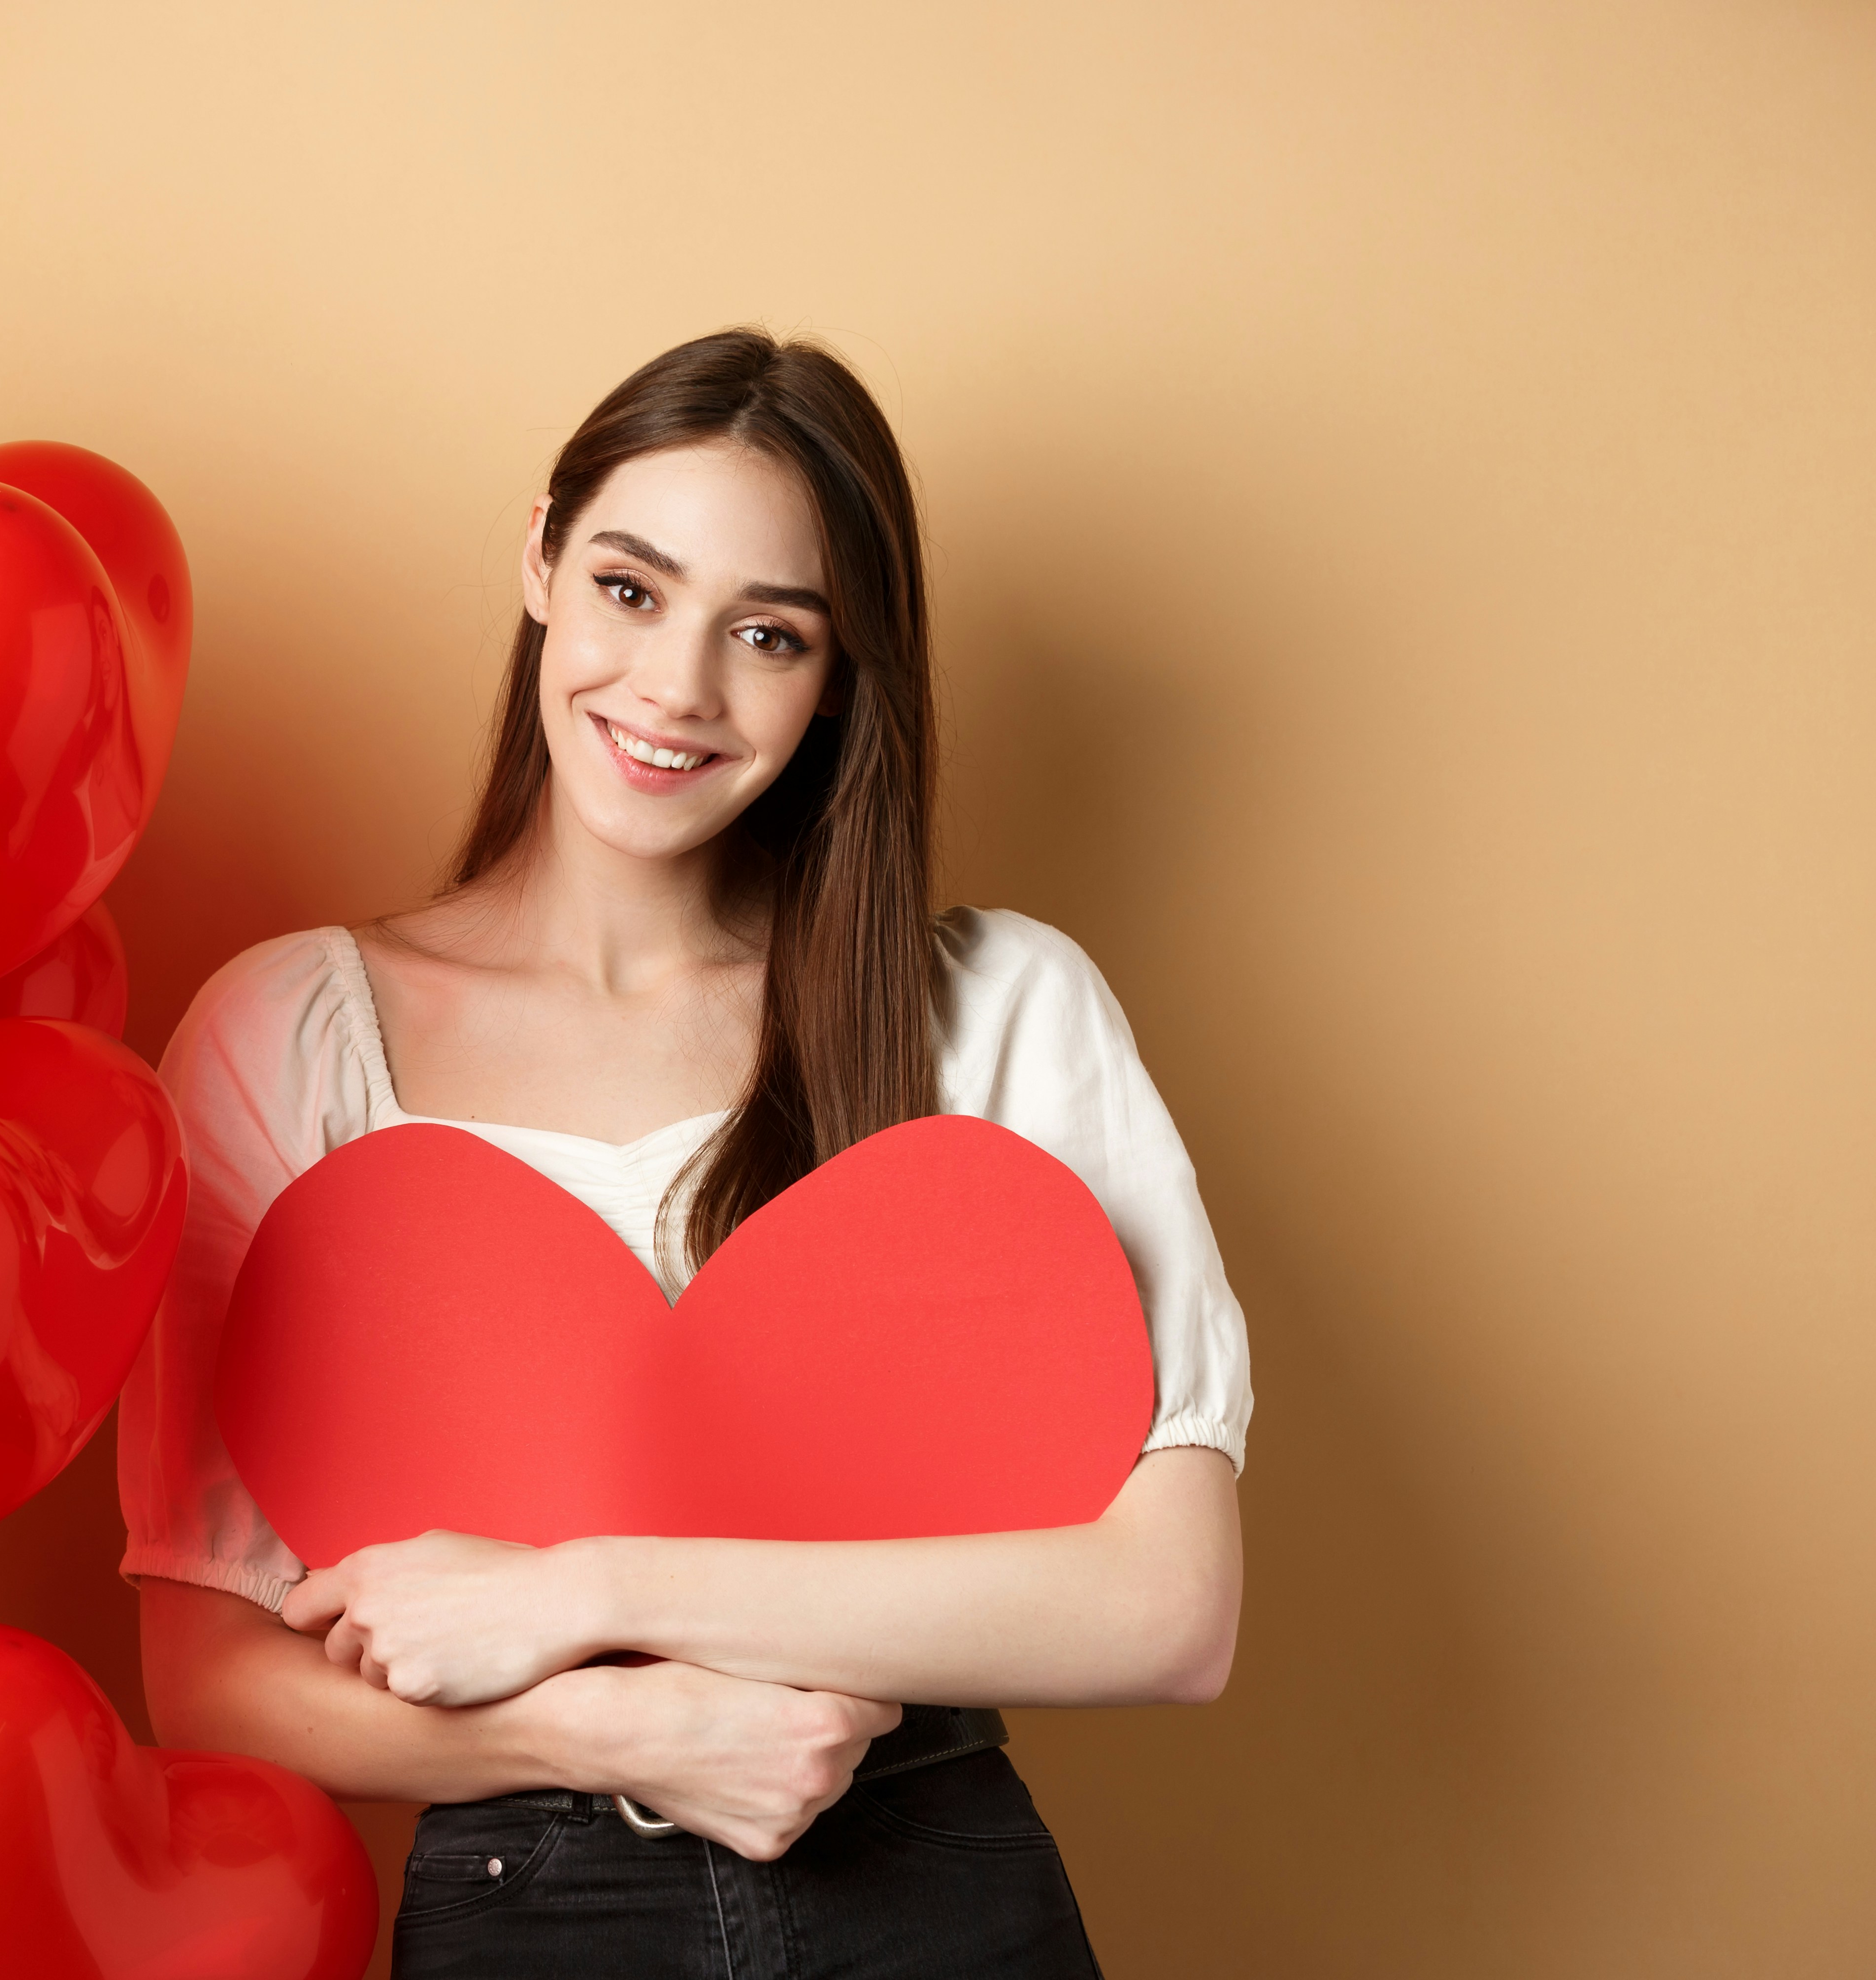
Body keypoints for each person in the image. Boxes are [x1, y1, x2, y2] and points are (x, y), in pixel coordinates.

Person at [118, 329, 1252, 1978]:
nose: (675, 692)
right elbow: (206, 1672)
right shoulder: (290, 1035)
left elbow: (1168, 1610)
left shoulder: (997, 1016)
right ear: (542, 561)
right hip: (535, 1910)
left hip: (936, 1891)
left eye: (769, 635)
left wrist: (574, 1596)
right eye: (632, 591)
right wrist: (619, 1740)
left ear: (841, 674)